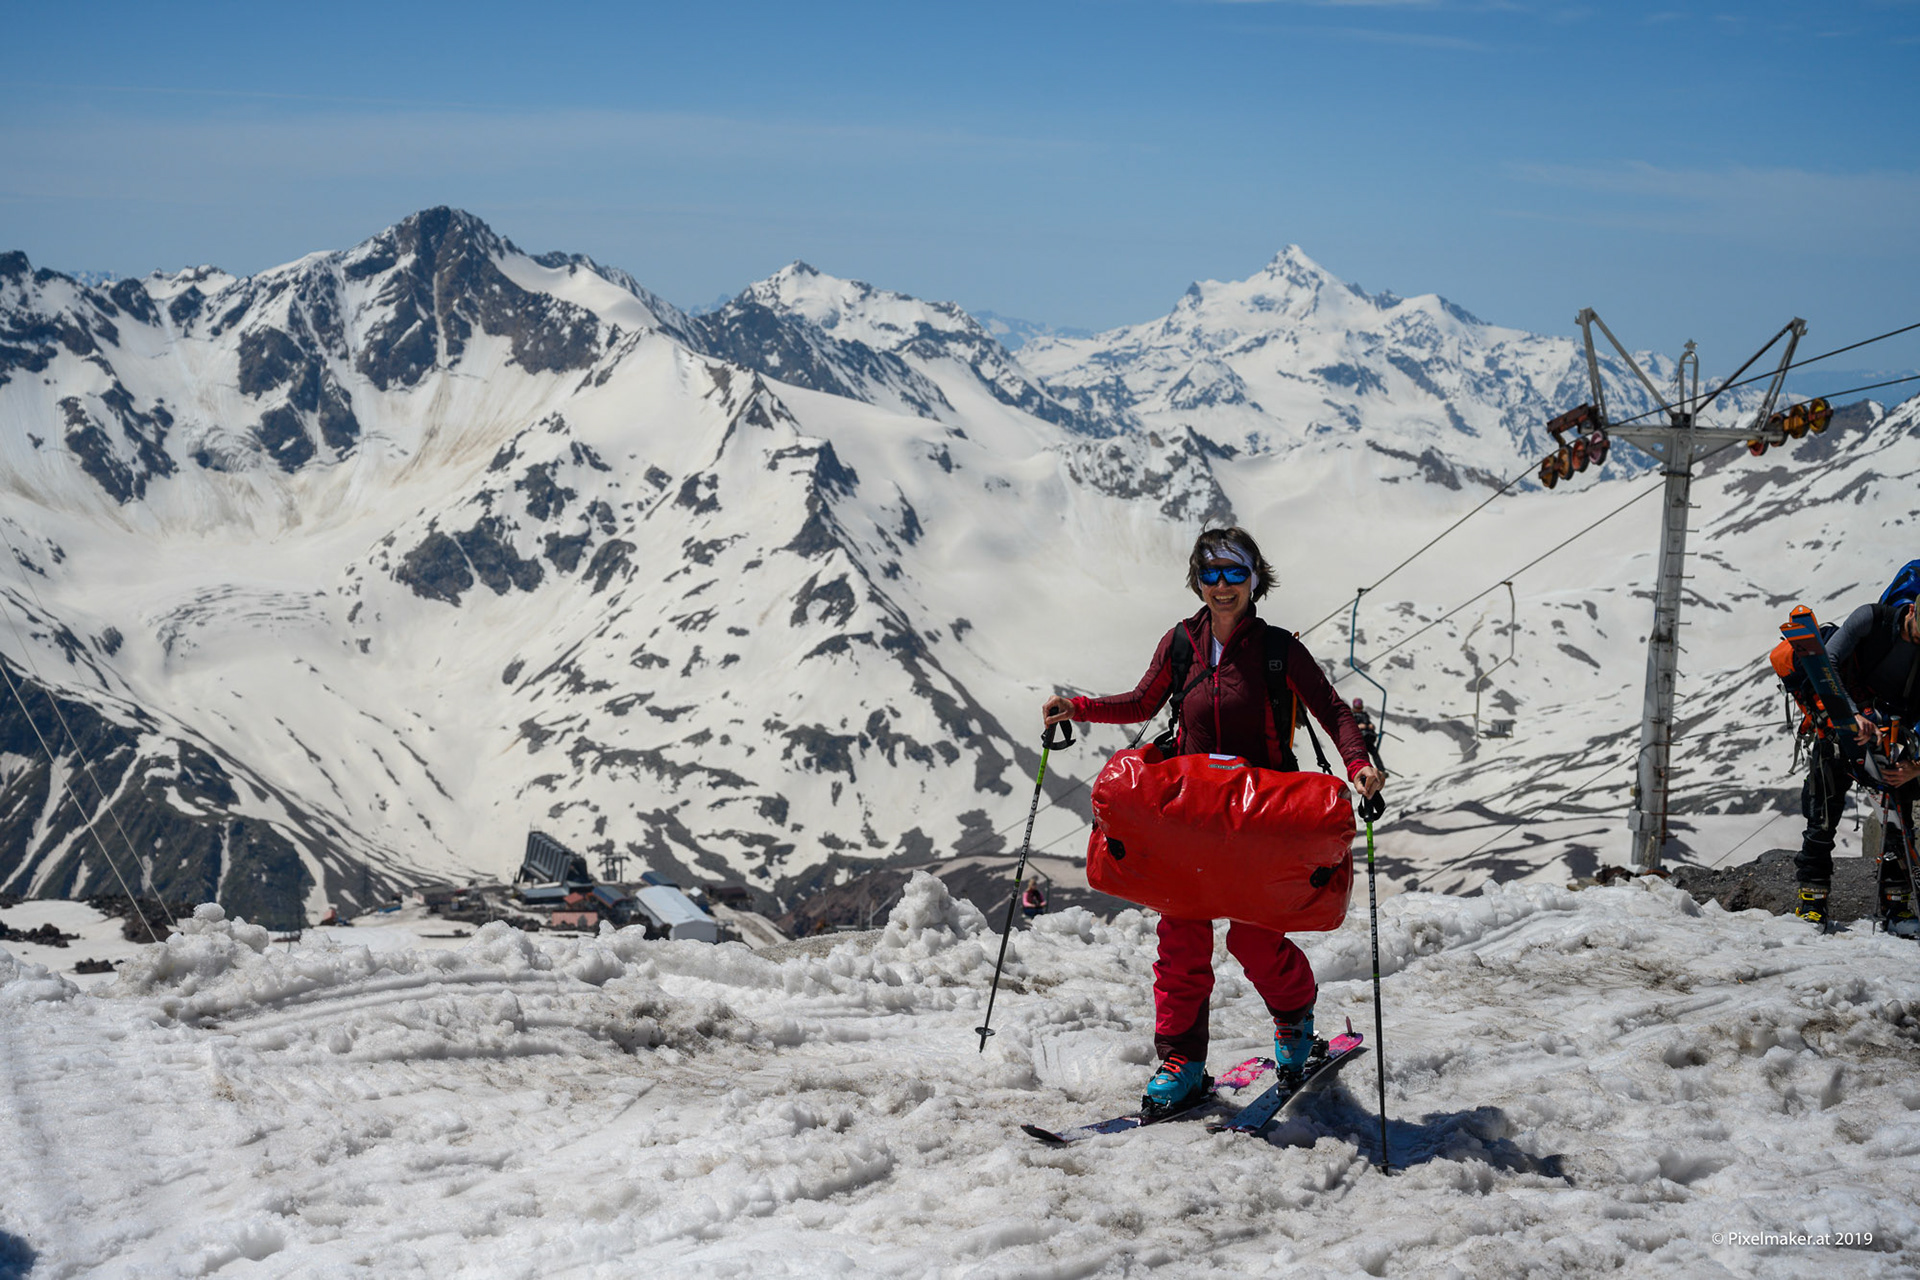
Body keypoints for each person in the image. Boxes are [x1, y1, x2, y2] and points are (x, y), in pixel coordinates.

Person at [1042, 526, 1385, 1113]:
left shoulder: (1279, 649)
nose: (1222, 585)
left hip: (1261, 820)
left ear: (1254, 579)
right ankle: (1182, 1063)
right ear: (1197, 581)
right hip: (1192, 818)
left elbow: (1332, 710)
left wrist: (1359, 764)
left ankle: (1295, 1027)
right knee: (1181, 941)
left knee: (1256, 939)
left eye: (1234, 573)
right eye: (1210, 574)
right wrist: (1079, 708)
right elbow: (1142, 702)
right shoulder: (1180, 644)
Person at [1793, 588, 1920, 933]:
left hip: (1894, 737)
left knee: (1898, 823)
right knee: (1822, 816)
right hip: (1839, 727)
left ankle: (1896, 905)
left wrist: (1915, 766)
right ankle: (1812, 901)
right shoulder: (1871, 619)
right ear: (1911, 610)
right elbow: (1829, 662)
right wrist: (1851, 714)